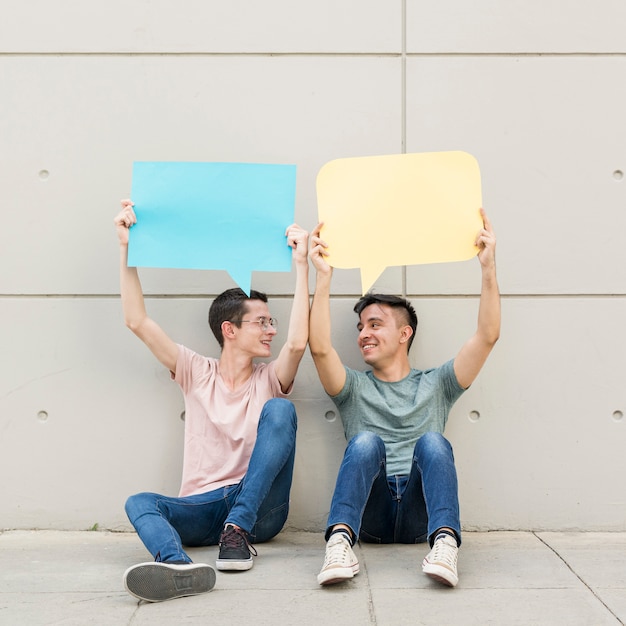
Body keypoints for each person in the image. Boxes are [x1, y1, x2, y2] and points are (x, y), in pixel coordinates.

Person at [114, 199, 310, 602]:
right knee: (140, 502)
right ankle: (178, 568)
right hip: (202, 506)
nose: (271, 330)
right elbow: (137, 320)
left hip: (257, 509)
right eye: (262, 322)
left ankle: (236, 530)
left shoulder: (269, 379)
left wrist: (302, 264)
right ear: (230, 329)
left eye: (272, 321)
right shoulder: (195, 370)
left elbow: (299, 342)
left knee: (281, 410)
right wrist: (125, 248)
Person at [308, 208, 500, 588]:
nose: (363, 333)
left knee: (433, 442)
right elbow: (319, 348)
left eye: (375, 324)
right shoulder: (353, 388)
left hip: (419, 514)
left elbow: (487, 336)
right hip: (371, 516)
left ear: (404, 334)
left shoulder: (439, 383)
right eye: (361, 326)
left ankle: (445, 543)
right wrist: (323, 278)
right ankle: (339, 543)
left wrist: (488, 268)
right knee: (366, 442)